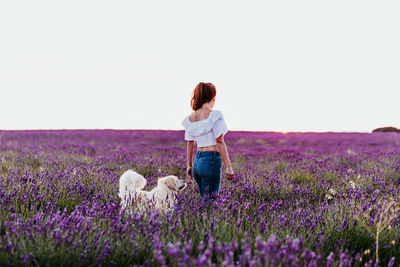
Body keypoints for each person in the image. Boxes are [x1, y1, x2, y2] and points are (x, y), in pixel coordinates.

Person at [181, 82, 234, 200]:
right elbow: (220, 141)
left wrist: (189, 165)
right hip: (211, 161)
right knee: (210, 204)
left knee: (204, 202)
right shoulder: (214, 115)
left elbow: (190, 143)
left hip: (197, 163)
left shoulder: (190, 118)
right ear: (213, 98)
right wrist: (228, 166)